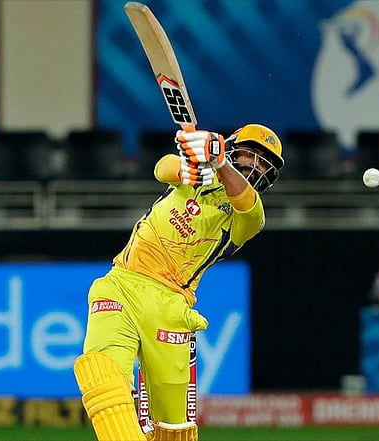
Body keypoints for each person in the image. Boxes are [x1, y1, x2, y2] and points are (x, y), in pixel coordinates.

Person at [73, 125, 284, 441]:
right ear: (232, 145)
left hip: (170, 306)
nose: (258, 166)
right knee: (102, 372)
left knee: (173, 429)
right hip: (120, 284)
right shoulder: (194, 178)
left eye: (266, 164)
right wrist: (190, 166)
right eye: (252, 154)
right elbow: (163, 167)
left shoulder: (248, 217)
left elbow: (246, 205)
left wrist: (222, 162)